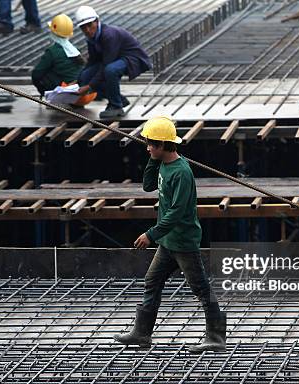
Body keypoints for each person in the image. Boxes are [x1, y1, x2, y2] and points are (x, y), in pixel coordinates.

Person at [113, 116, 227, 353]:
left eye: (151, 144)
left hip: (183, 242)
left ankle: (216, 337)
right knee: (152, 281)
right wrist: (152, 160)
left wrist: (151, 234)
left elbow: (176, 212)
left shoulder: (181, 172)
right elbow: (147, 186)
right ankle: (142, 334)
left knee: (201, 288)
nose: (148, 147)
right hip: (168, 241)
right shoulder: (163, 163)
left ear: (164, 145)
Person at [74, 5, 151, 119]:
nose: (88, 30)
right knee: (86, 75)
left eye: (90, 25)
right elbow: (92, 62)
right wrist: (78, 81)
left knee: (110, 70)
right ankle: (119, 99)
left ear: (97, 21)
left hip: (132, 59)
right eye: (83, 28)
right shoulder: (91, 38)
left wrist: (89, 87)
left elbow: (106, 64)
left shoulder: (109, 35)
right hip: (114, 59)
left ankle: (116, 106)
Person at [31, 14, 84, 96]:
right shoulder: (75, 50)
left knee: (42, 74)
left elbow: (36, 74)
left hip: (69, 95)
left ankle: (52, 98)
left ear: (53, 32)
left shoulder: (52, 51)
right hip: (86, 95)